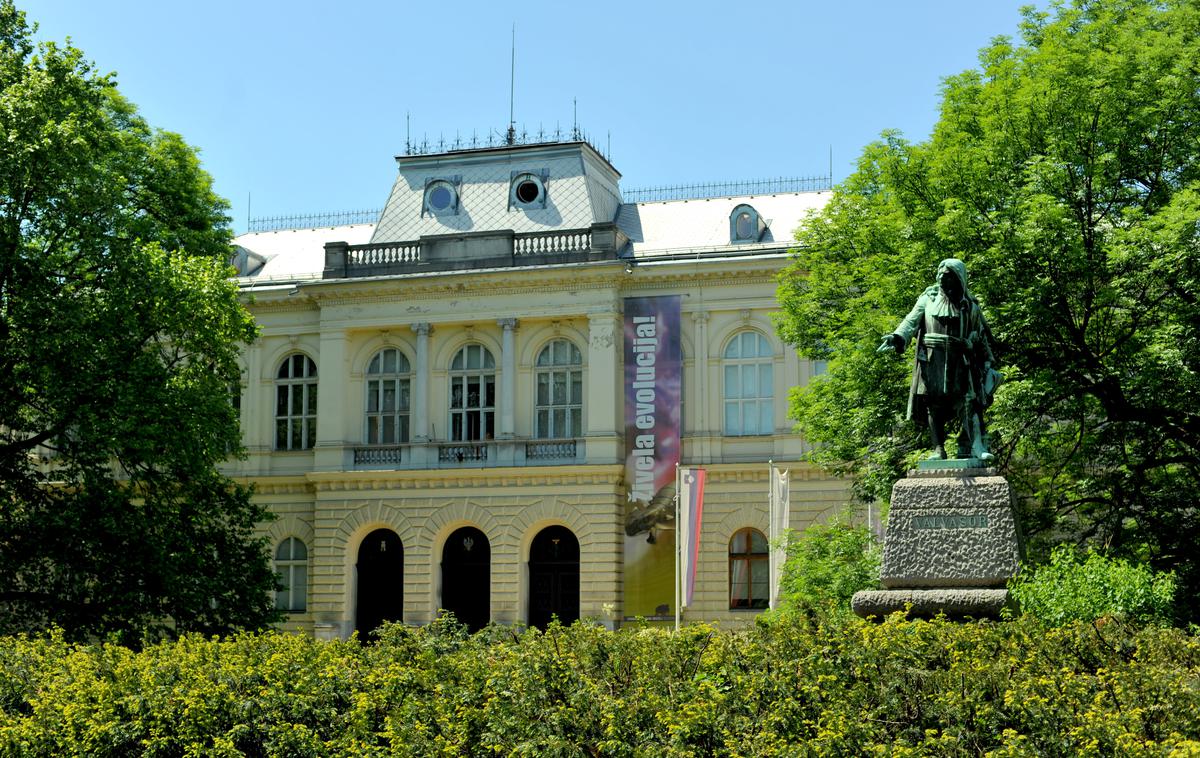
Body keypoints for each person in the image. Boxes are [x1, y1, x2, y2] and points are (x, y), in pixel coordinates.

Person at [877, 258, 998, 461]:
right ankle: (938, 449)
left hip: (960, 360)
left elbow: (981, 335)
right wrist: (897, 337)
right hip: (933, 360)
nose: (942, 279)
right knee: (934, 406)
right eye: (940, 275)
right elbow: (910, 321)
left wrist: (987, 360)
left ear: (959, 279)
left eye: (948, 276)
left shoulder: (970, 306)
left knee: (968, 401)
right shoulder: (927, 299)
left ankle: (975, 445)